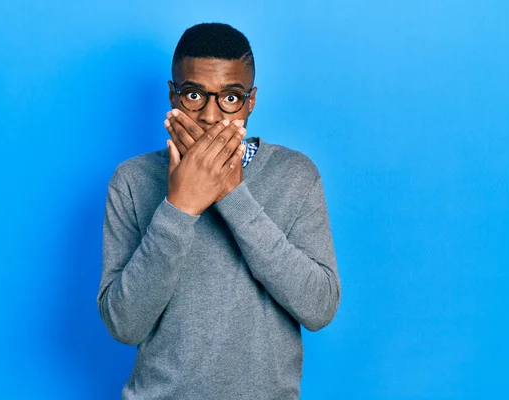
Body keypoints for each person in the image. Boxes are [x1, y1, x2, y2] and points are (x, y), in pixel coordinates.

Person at [97, 22, 341, 400]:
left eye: (230, 97)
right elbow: (125, 325)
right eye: (194, 95)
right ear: (172, 95)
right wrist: (179, 206)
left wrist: (232, 194)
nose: (211, 116)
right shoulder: (132, 180)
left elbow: (319, 307)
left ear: (251, 101)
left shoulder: (296, 176)